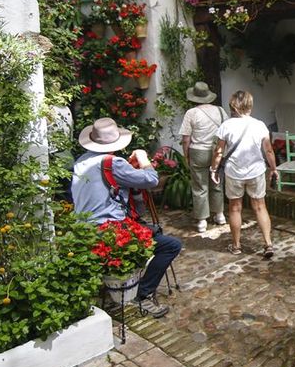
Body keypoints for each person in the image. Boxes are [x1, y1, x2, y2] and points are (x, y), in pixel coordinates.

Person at [72, 117, 182, 318]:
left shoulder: (81, 162)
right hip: (109, 233)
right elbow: (152, 179)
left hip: (83, 232)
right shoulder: (112, 163)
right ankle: (143, 294)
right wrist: (143, 159)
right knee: (171, 245)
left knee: (148, 230)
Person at [210, 91, 278, 258]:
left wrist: (213, 169)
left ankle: (236, 245)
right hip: (256, 171)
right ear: (250, 105)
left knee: (235, 208)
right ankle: (268, 244)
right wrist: (274, 168)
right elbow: (268, 150)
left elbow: (219, 151)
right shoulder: (259, 125)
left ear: (233, 105)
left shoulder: (226, 126)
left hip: (234, 172)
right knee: (260, 207)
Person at [179, 81, 229, 233]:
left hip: (198, 151)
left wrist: (186, 154)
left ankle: (202, 221)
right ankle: (219, 215)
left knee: (200, 186)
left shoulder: (191, 113)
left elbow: (186, 138)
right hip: (217, 151)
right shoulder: (220, 111)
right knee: (217, 182)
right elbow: (226, 132)